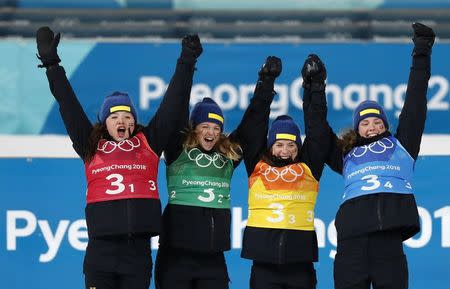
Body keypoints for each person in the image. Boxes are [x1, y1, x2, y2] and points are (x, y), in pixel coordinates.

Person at [35, 26, 203, 289]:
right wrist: (52, 64)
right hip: (100, 253)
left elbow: (172, 103)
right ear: (105, 123)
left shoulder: (149, 142)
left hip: (137, 254)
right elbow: (68, 104)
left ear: (135, 122)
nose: (122, 120)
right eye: (114, 116)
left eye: (127, 116)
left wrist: (187, 61)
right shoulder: (91, 144)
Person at [154, 56, 282, 289]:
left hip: (213, 260)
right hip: (175, 258)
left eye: (216, 128)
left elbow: (252, 122)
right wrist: (187, 63)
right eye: (205, 126)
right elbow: (177, 104)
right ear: (194, 129)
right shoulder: (176, 149)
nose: (211, 132)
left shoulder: (227, 155)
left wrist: (266, 82)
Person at [326, 23, 435, 289]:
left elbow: (415, 104)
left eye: (377, 121)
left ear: (386, 125)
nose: (372, 126)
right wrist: (315, 88)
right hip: (351, 242)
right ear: (356, 129)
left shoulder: (402, 146)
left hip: (388, 243)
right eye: (365, 123)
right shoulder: (345, 154)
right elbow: (318, 132)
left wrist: (422, 50)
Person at [240, 54, 330, 289]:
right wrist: (266, 82)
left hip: (300, 267)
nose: (285, 150)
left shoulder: (308, 167)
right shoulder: (257, 165)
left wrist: (315, 87)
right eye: (279, 144)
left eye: (291, 145)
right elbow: (256, 122)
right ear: (270, 146)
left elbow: (318, 128)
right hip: (263, 268)